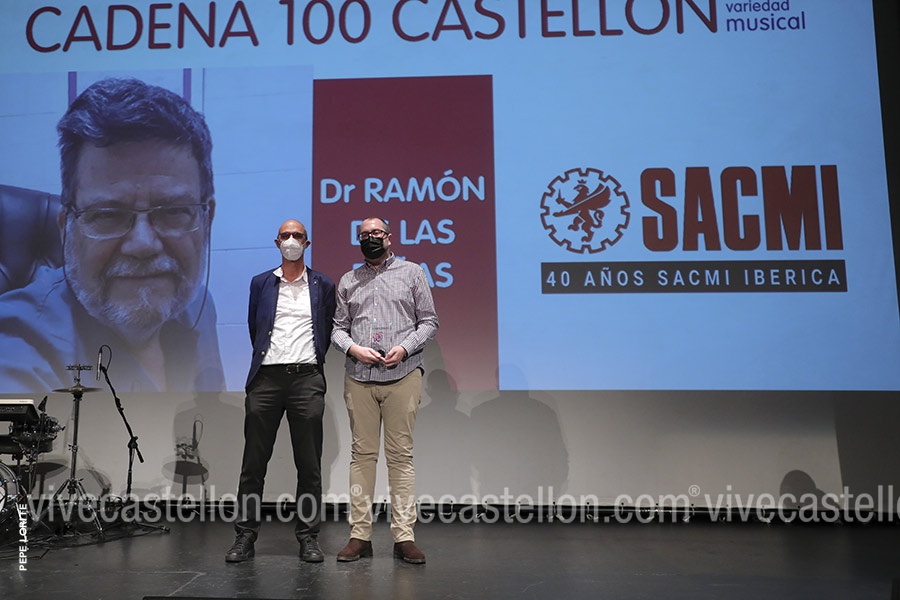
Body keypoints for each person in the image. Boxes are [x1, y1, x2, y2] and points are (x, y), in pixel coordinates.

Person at [0, 77, 224, 392]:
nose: (143, 244)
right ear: (66, 229)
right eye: (107, 215)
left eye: (173, 211)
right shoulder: (17, 348)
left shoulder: (197, 304)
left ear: (207, 220)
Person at [226, 219, 336, 564]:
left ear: (307, 243)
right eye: (285, 236)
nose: (291, 240)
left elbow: (326, 330)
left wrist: (310, 365)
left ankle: (308, 536)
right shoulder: (261, 282)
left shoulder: (323, 284)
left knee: (309, 464)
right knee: (253, 463)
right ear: (277, 242)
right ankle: (245, 535)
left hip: (306, 379)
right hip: (266, 380)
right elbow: (255, 328)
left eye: (297, 236)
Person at [331, 217, 439, 564]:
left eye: (376, 233)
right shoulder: (348, 280)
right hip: (360, 377)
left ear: (389, 238)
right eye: (364, 234)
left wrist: (405, 348)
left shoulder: (412, 273)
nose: (371, 238)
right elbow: (337, 328)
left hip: (402, 375)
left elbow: (429, 322)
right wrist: (353, 348)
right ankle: (359, 536)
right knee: (362, 457)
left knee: (400, 458)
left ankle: (404, 537)